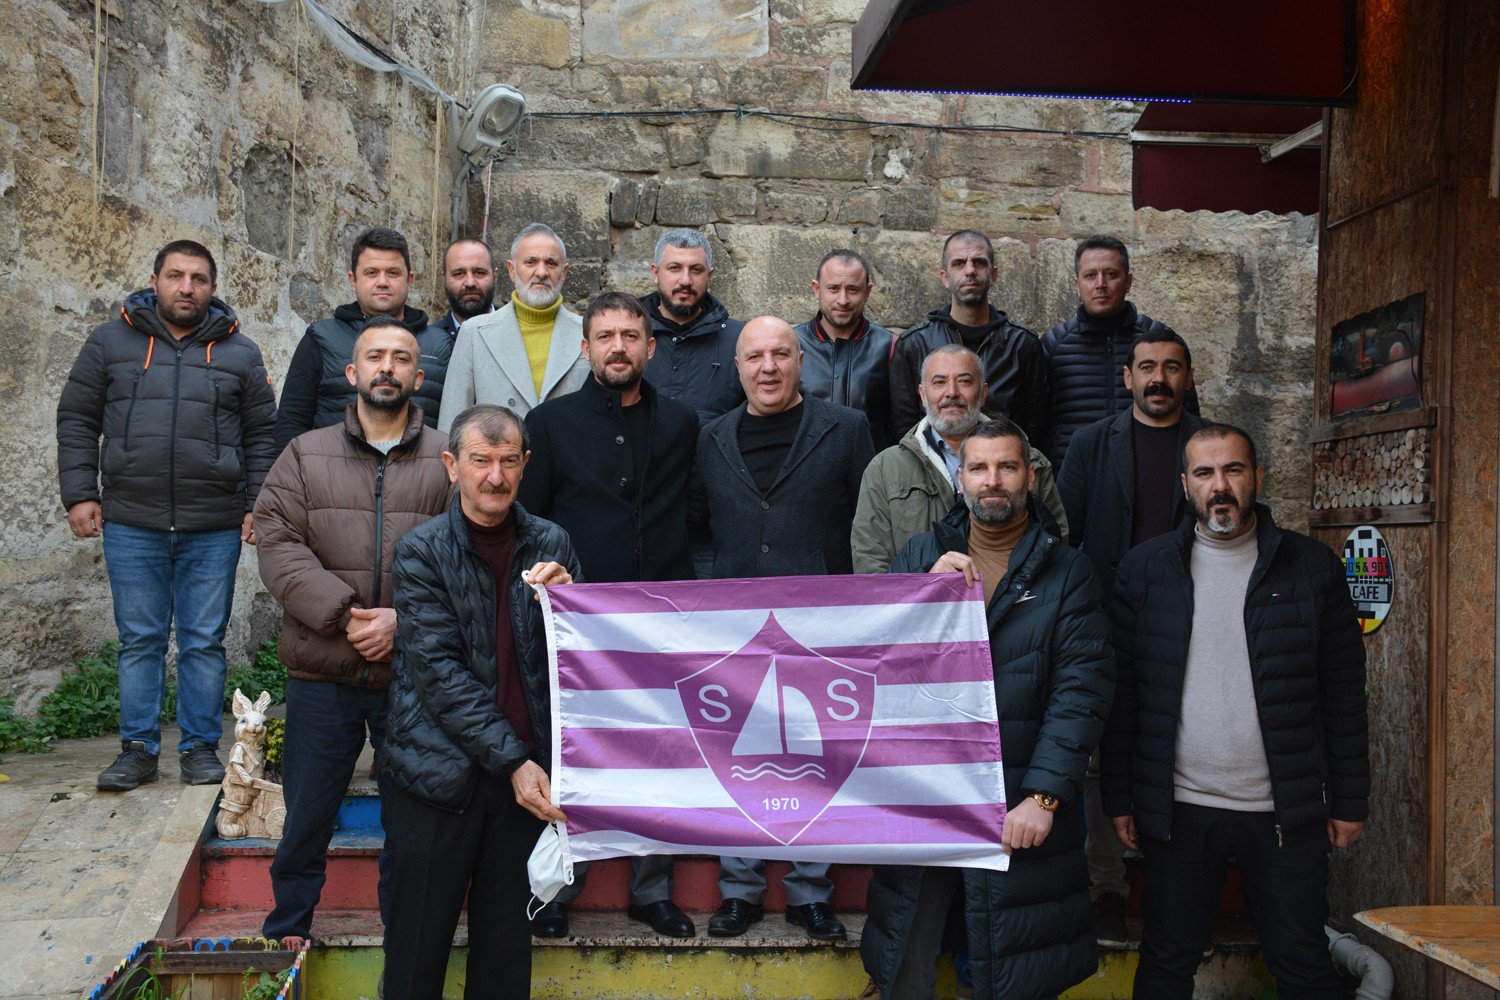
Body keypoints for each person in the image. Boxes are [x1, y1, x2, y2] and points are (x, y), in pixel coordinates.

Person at [1104, 424, 1369, 999]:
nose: (1219, 486)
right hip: (1181, 807)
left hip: (1284, 810)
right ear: (1185, 485)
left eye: (1233, 470)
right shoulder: (1145, 570)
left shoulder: (1312, 568)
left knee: (1302, 962)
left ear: (1258, 477)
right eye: (1204, 473)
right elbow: (1124, 696)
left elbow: (1344, 692)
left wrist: (1350, 799)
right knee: (1166, 960)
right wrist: (1120, 796)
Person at [862, 419, 1114, 1000]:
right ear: (960, 478)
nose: (992, 480)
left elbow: (1080, 694)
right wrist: (920, 593)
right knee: (906, 961)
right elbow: (873, 662)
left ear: (1030, 477)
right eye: (978, 467)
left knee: (1009, 969)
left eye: (1007, 466)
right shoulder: (920, 555)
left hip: (1017, 802)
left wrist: (1044, 797)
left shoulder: (1067, 572)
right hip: (926, 797)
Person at [253, 318, 451, 948]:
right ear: (352, 372)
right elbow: (278, 543)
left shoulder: (449, 459)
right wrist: (346, 616)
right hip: (322, 669)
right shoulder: (303, 454)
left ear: (419, 376)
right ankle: (288, 929)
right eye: (375, 356)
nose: (387, 367)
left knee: (411, 820)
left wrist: (403, 623)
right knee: (307, 813)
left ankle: (405, 936)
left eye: (401, 358)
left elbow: (467, 557)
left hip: (413, 677)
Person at [57, 239, 277, 790]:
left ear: (212, 287)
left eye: (198, 279)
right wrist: (80, 494)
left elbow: (262, 435)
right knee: (140, 640)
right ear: (154, 281)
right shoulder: (110, 342)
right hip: (132, 520)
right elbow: (78, 417)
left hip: (213, 523)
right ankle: (137, 750)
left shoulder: (239, 352)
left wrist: (256, 503)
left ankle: (200, 748)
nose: (186, 287)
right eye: (176, 276)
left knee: (204, 641)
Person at [380, 404, 580, 999]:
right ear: (451, 465)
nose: (496, 477)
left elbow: (576, 660)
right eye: (480, 461)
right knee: (416, 951)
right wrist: (515, 762)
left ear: (525, 464)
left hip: (522, 784)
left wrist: (572, 604)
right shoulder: (420, 551)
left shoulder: (552, 542)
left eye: (509, 461)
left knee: (504, 956)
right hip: (437, 777)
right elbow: (439, 674)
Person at [518, 291, 699, 939]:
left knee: (660, 752)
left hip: (663, 619)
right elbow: (530, 524)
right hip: (578, 623)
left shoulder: (683, 423)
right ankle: (559, 888)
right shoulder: (548, 423)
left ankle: (652, 892)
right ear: (585, 347)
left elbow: (694, 515)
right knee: (575, 753)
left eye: (630, 335)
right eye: (605, 336)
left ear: (650, 347)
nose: (618, 347)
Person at [691, 316, 874, 941]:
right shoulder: (711, 437)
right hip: (735, 623)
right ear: (738, 366)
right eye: (754, 357)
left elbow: (865, 522)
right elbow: (699, 525)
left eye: (779, 354)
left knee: (815, 753)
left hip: (820, 620)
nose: (767, 367)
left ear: (801, 360)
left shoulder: (847, 429)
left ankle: (809, 893)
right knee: (736, 753)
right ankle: (739, 892)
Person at [1055, 327, 1207, 945]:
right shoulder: (1092, 443)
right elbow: (1063, 535)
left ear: (1187, 377)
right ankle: (1107, 889)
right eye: (1147, 367)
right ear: (1127, 377)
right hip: (1107, 618)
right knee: (1102, 756)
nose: (1158, 378)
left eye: (1171, 367)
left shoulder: (1210, 444)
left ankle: (1178, 883)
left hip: (1193, 620)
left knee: (1186, 747)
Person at [853, 344, 1065, 574]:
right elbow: (870, 565)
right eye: (939, 382)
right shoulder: (885, 469)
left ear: (983, 393)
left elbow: (1056, 546)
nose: (952, 392)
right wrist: (929, 584)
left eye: (964, 381)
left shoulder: (1031, 462)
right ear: (923, 395)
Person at [274, 227, 450, 451]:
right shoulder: (321, 339)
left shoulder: (440, 345)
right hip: (333, 468)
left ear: (410, 279)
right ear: (353, 280)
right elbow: (291, 422)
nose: (382, 282)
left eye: (393, 273)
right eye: (371, 273)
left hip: (418, 469)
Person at [1039, 234, 1197, 467]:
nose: (1100, 284)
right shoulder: (1054, 345)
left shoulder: (1160, 341)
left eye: (1111, 274)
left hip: (1150, 467)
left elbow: (1190, 414)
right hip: (1073, 473)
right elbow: (1036, 423)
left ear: (1128, 281)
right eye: (1090, 275)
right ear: (1077, 284)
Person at [888, 230, 1047, 447]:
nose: (970, 270)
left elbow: (1035, 427)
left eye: (979, 262)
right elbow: (904, 428)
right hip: (933, 464)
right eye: (959, 263)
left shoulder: (1022, 344)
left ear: (993, 275)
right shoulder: (914, 344)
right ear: (945, 277)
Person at [438, 223, 590, 427]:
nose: (541, 272)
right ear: (511, 270)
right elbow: (452, 421)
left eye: (551, 263)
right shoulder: (474, 333)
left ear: (564, 272)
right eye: (530, 262)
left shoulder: (587, 333)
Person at [794, 248, 896, 451]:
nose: (843, 300)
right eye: (833, 289)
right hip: (805, 465)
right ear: (817, 289)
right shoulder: (792, 345)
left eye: (853, 290)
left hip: (871, 466)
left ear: (867, 292)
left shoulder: (891, 346)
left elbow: (903, 424)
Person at [641, 228, 746, 422]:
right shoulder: (628, 337)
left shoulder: (740, 341)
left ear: (709, 275)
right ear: (655, 273)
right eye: (675, 268)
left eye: (696, 270)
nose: (685, 280)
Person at [432, 237, 499, 338]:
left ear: (495, 276)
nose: (470, 283)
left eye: (479, 273)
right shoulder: (427, 342)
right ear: (444, 278)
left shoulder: (518, 332)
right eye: (459, 274)